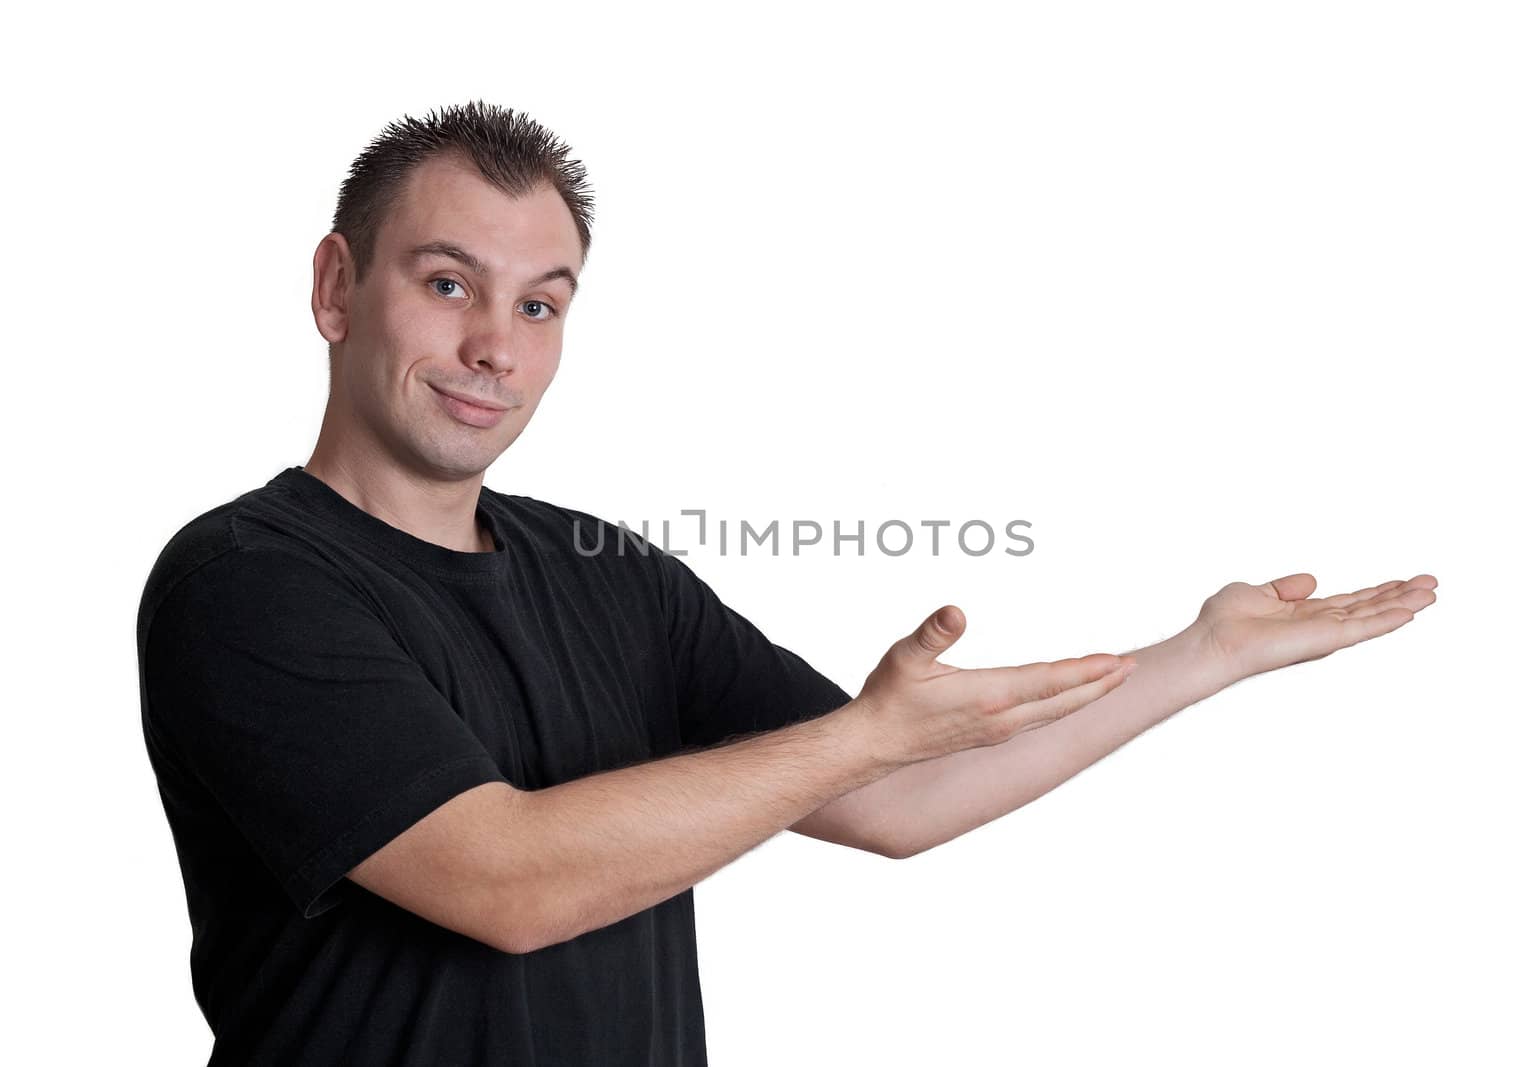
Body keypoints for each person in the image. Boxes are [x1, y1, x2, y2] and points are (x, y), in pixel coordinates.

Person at [135, 99, 1438, 1066]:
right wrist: (854, 739)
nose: (493, 345)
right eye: (446, 283)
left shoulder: (610, 577)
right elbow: (506, 885)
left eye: (541, 305)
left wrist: (1201, 654)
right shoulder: (245, 588)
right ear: (336, 286)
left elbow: (899, 795)